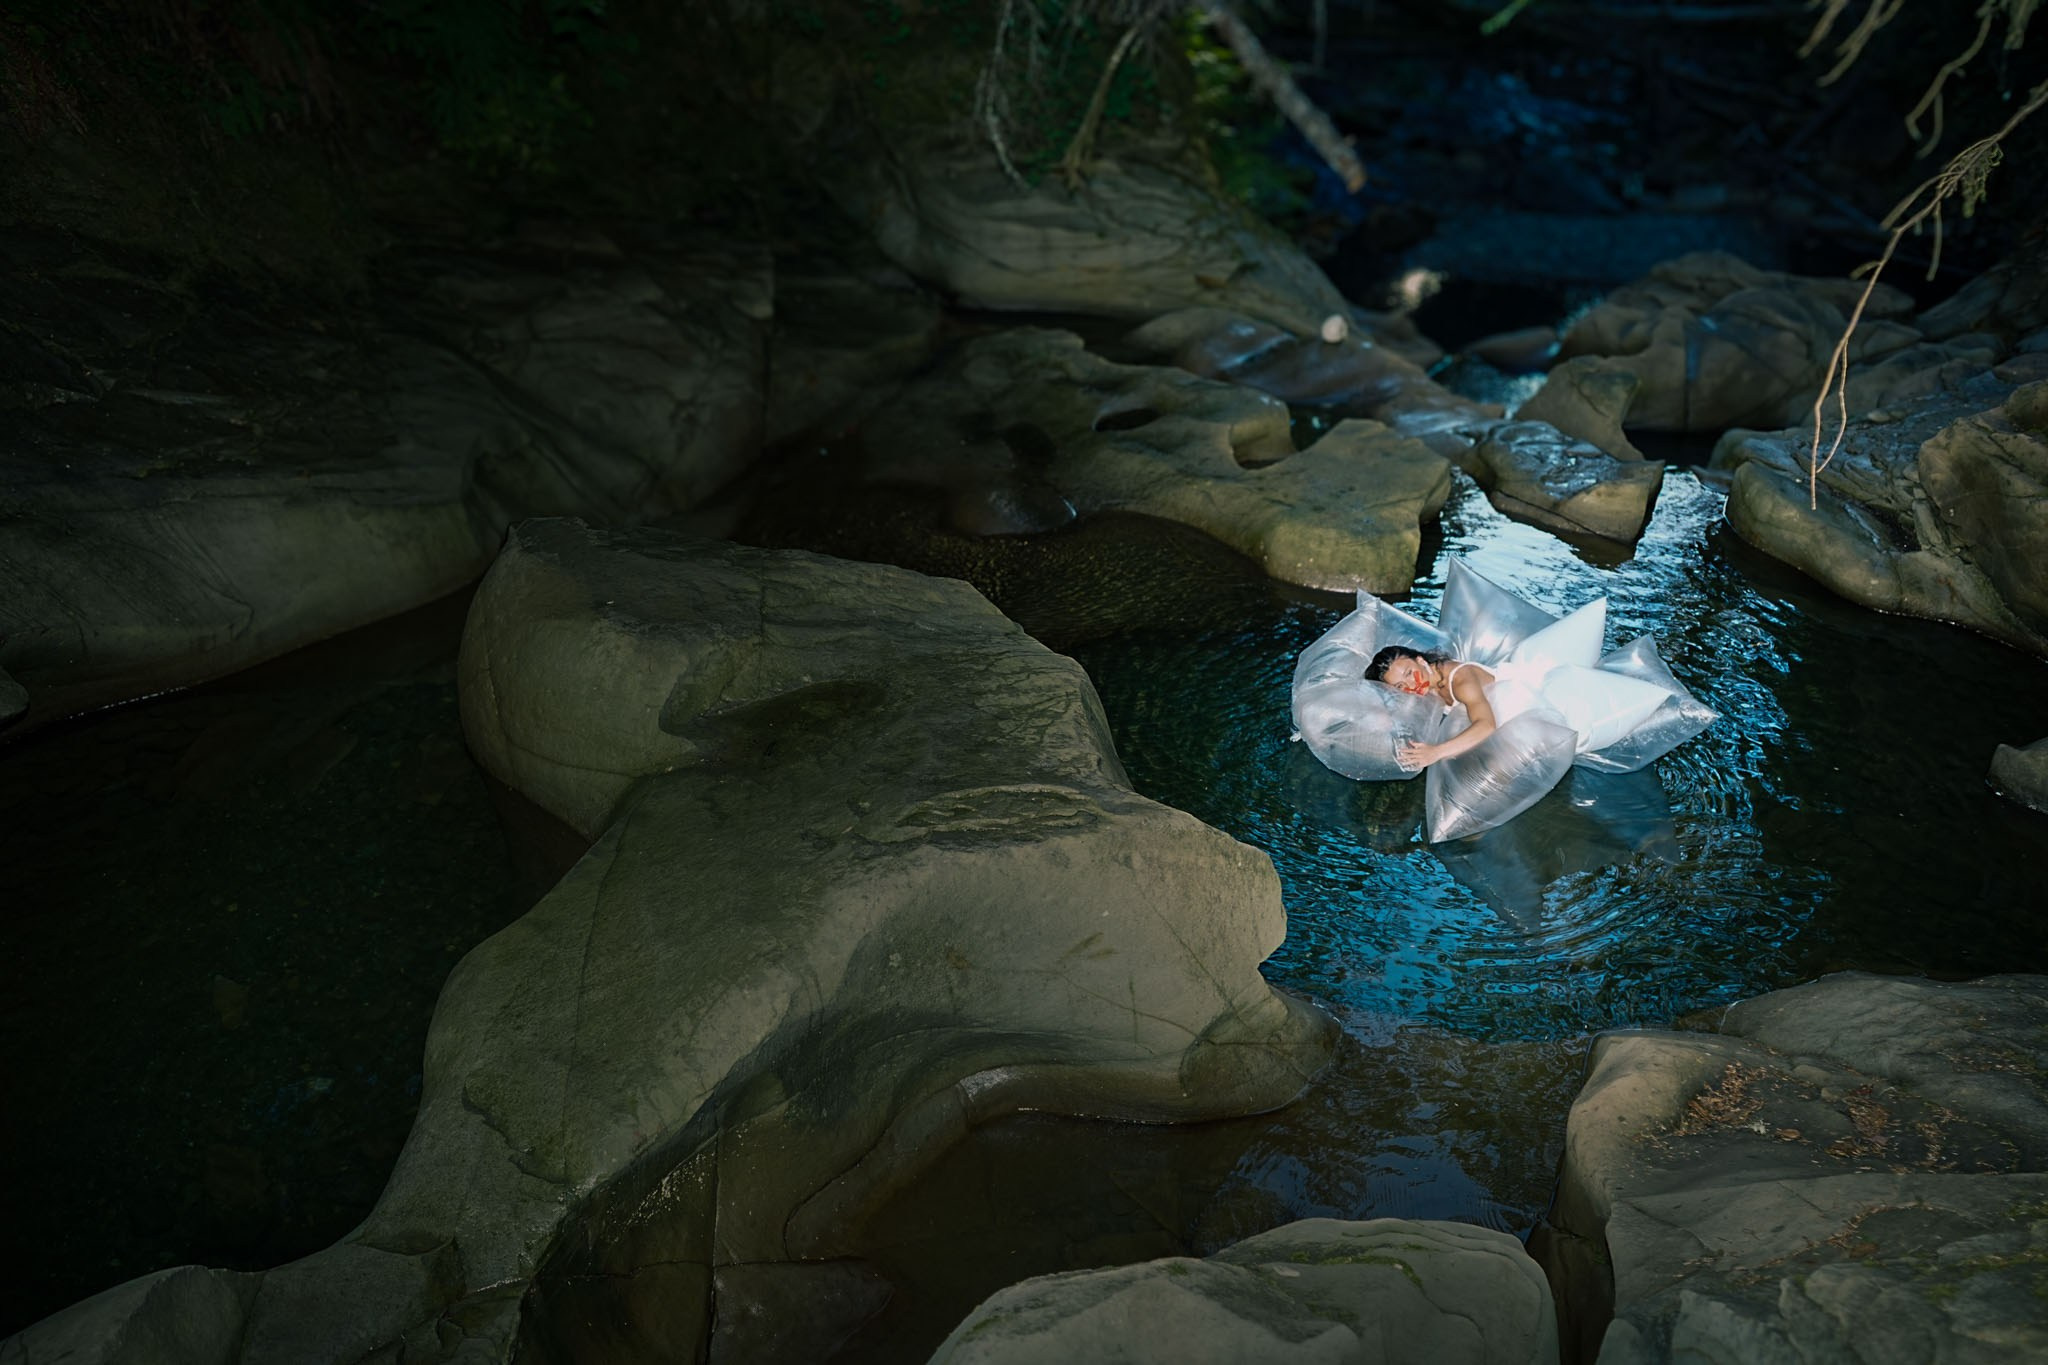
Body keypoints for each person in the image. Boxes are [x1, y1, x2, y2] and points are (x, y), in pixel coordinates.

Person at [1364, 645, 1496, 771]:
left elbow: (1487, 725)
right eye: (1400, 686)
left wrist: (1436, 752)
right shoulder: (1427, 685)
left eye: (1409, 673)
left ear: (1420, 661)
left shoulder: (1460, 678)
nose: (1411, 685)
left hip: (1511, 708)